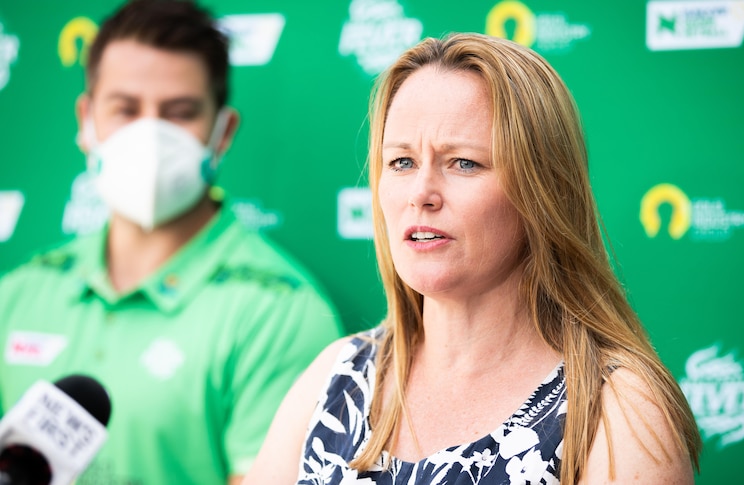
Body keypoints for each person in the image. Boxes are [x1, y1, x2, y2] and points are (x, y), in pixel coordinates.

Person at [245, 32, 701, 484]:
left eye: (463, 162)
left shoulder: (613, 408)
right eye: (401, 162)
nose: (420, 193)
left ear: (543, 191)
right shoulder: (335, 378)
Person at [0, 0, 342, 483]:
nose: (150, 134)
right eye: (126, 109)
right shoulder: (19, 295)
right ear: (86, 119)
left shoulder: (279, 313)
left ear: (222, 132)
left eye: (178, 113)